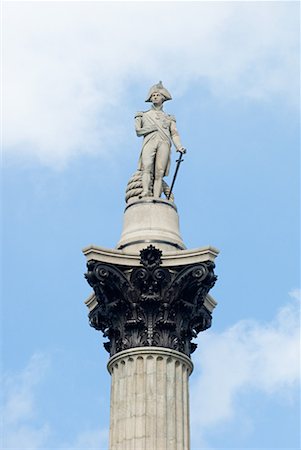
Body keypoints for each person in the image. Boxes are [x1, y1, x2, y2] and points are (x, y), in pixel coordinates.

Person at [135, 81, 186, 198]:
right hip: (150, 141)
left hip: (164, 143)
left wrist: (179, 146)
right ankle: (146, 191)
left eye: (157, 95)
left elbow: (174, 134)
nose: (155, 97)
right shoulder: (143, 115)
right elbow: (138, 131)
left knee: (159, 172)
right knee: (146, 167)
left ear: (163, 98)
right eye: (153, 95)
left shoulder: (169, 118)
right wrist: (150, 128)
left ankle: (156, 197)